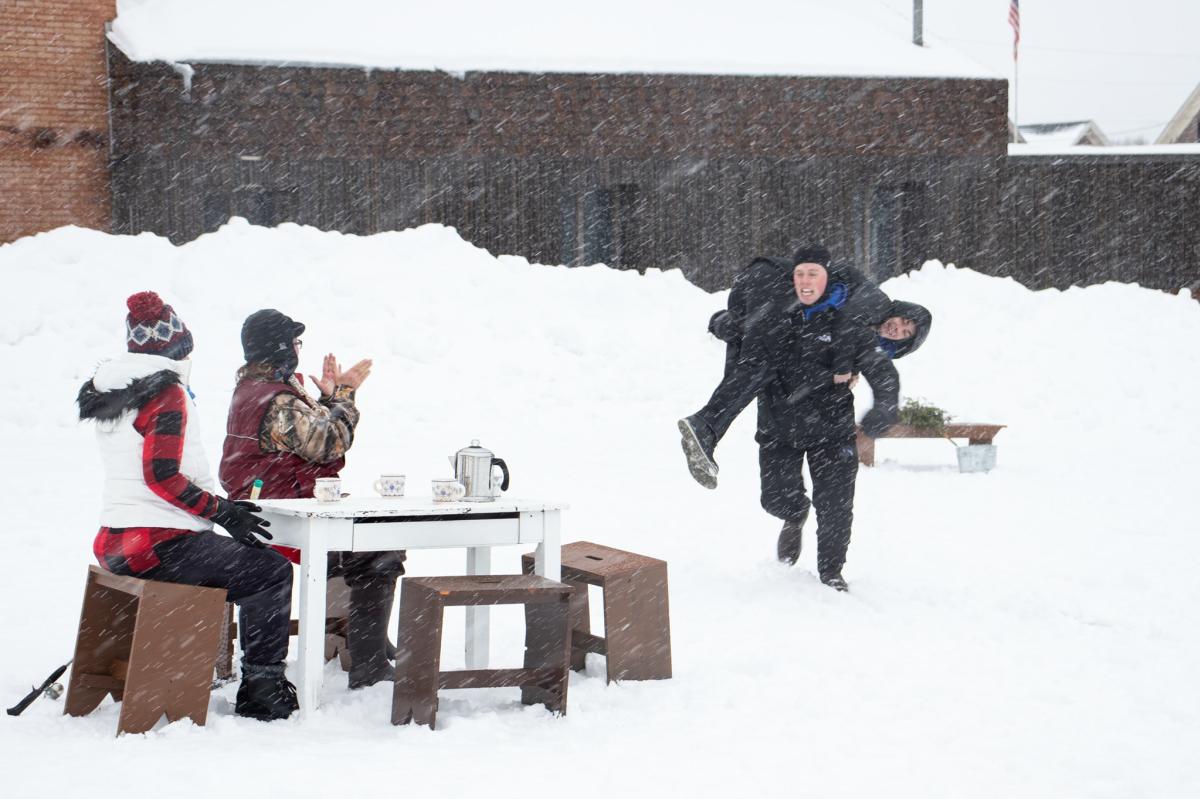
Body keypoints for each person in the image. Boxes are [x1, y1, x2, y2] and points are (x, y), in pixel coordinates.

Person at [78, 291, 298, 721]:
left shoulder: (117, 390)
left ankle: (196, 668)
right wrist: (222, 511)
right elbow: (161, 477)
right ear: (178, 344)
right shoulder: (165, 393)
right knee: (270, 573)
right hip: (159, 542)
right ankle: (263, 687)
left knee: (241, 564)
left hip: (117, 540)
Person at [219, 309, 404, 689]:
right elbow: (327, 441)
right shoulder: (277, 399)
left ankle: (359, 640)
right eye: (294, 343)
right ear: (282, 348)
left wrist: (327, 398)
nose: (297, 350)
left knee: (366, 542)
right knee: (379, 549)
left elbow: (306, 431)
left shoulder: (255, 390)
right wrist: (345, 396)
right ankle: (368, 659)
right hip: (283, 525)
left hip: (269, 513)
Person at [678, 245, 931, 488]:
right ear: (899, 310)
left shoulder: (861, 338)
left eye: (905, 333)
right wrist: (846, 368)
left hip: (757, 290)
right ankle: (705, 426)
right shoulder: (878, 304)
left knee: (755, 360)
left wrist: (724, 324)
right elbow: (847, 320)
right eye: (903, 320)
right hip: (775, 281)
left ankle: (705, 434)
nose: (898, 328)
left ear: (902, 345)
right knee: (762, 364)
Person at [749, 264, 901, 590]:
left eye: (814, 277)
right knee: (775, 500)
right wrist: (724, 322)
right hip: (779, 427)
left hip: (832, 430)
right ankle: (795, 513)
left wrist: (885, 405)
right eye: (800, 277)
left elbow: (881, 368)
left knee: (836, 507)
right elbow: (739, 323)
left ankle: (831, 570)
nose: (807, 285)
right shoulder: (774, 315)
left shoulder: (845, 324)